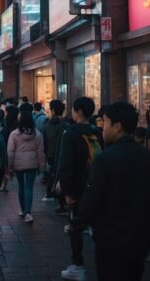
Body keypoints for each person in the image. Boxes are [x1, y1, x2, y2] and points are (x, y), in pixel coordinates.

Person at [72, 102, 150, 281]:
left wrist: (77, 223)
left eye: (105, 123)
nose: (102, 128)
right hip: (140, 238)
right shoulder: (147, 157)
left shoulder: (105, 159)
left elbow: (92, 197)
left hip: (110, 239)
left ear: (117, 126)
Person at [58, 97, 104, 280]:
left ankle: (78, 265)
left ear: (78, 111)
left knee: (75, 225)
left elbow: (66, 164)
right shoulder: (97, 133)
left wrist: (67, 192)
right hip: (96, 185)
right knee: (97, 224)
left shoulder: (71, 133)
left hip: (77, 186)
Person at [7, 111, 46, 223]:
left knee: (21, 186)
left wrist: (9, 167)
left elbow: (10, 152)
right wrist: (42, 166)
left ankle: (23, 210)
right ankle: (28, 213)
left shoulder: (14, 134)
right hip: (32, 164)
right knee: (29, 187)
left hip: (18, 164)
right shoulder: (37, 134)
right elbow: (41, 152)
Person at [42, 100, 67, 208]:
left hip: (52, 155)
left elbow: (46, 143)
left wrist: (47, 154)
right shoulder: (66, 124)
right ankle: (61, 201)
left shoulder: (48, 125)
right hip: (64, 154)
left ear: (53, 110)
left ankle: (54, 196)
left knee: (54, 174)